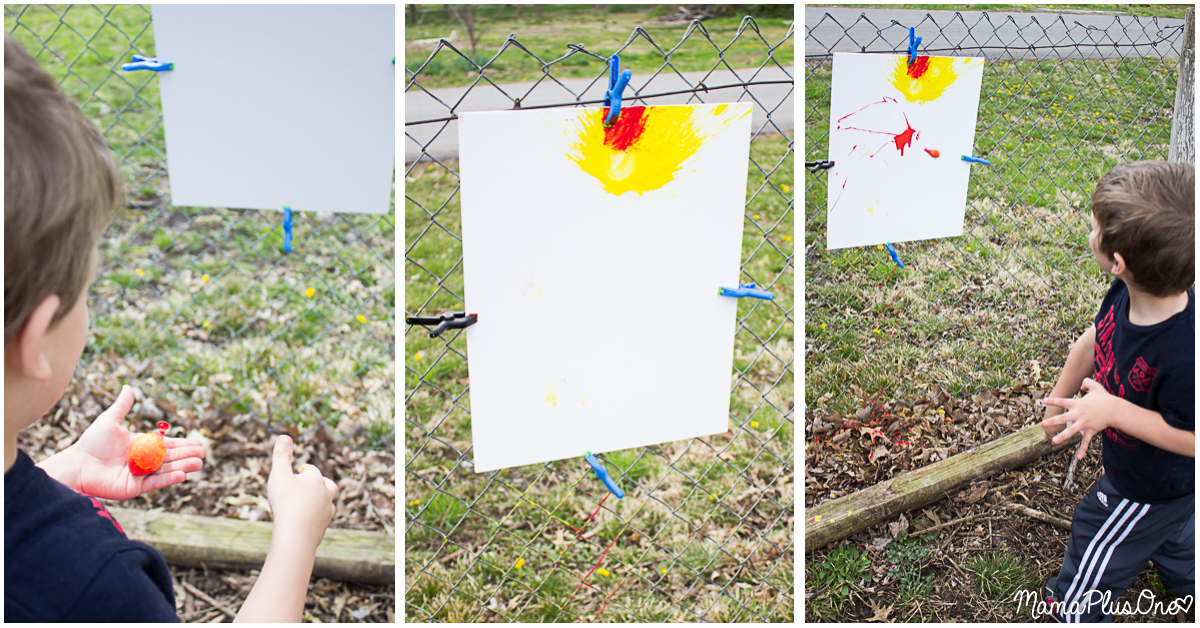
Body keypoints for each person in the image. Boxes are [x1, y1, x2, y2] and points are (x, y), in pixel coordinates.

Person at [4, 33, 339, 622]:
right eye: (87, 289)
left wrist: (58, 478)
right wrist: (295, 540)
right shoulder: (92, 588)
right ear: (35, 340)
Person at [1039, 160, 1194, 622]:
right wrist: (1056, 404)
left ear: (1117, 260)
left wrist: (1114, 411)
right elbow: (1094, 338)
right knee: (1176, 538)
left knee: (1098, 531)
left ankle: (1073, 606)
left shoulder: (1186, 352)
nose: (1090, 237)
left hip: (1149, 486)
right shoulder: (1127, 292)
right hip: (1165, 491)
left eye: (1093, 230)